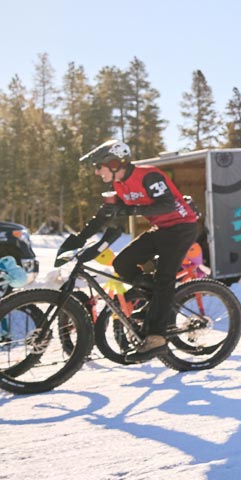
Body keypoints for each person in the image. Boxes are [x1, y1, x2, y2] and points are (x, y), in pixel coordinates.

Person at [73, 139, 201, 359]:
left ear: (114, 163)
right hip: (161, 228)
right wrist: (77, 239)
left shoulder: (148, 176)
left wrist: (130, 210)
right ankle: (158, 299)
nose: (96, 172)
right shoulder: (118, 186)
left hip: (182, 228)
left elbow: (167, 204)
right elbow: (105, 215)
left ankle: (157, 338)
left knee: (164, 278)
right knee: (122, 263)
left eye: (98, 166)